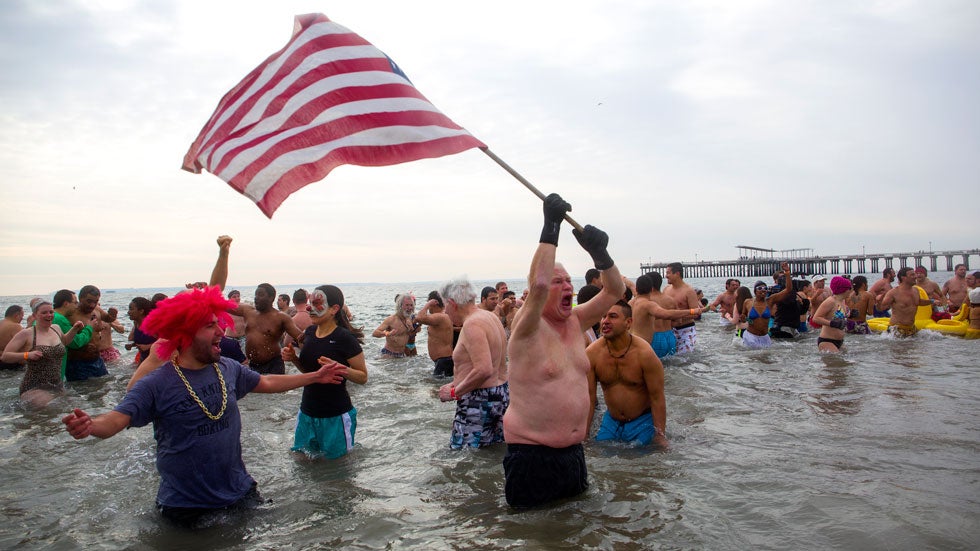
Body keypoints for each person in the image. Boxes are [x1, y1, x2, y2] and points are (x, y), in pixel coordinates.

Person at [62, 286, 346, 527]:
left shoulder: (227, 368)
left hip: (241, 493)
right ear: (185, 333)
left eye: (218, 323)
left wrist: (316, 376)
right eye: (210, 326)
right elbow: (115, 420)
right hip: (187, 508)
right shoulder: (157, 383)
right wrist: (90, 426)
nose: (221, 331)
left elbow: (267, 382)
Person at [502, 193, 625, 508]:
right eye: (560, 282)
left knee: (572, 534)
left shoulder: (576, 320)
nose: (568, 287)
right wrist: (550, 227)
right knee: (537, 535)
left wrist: (601, 255)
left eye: (569, 281)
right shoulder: (527, 328)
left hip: (573, 454)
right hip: (531, 454)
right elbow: (540, 285)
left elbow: (615, 290)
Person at [281, 285, 367, 459]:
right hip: (307, 412)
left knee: (337, 471)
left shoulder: (345, 339)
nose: (308, 308)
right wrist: (294, 359)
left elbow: (363, 377)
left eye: (316, 303)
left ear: (334, 309)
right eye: (309, 303)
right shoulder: (310, 332)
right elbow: (310, 372)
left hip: (336, 416)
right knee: (301, 462)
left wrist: (340, 367)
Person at [436, 277, 509, 449]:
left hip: (479, 399)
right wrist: (456, 382)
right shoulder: (490, 318)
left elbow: (483, 369)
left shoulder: (472, 325)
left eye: (445, 305)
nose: (445, 311)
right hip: (501, 394)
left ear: (452, 303)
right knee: (493, 452)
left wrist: (454, 393)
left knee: (461, 456)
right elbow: (490, 362)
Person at [587, 301, 668, 448]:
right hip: (611, 421)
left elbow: (657, 398)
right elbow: (589, 400)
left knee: (644, 457)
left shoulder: (645, 354)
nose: (605, 321)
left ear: (628, 322)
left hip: (643, 420)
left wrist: (660, 435)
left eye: (612, 316)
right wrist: (584, 435)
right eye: (604, 317)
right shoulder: (592, 354)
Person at [2, 301, 83, 407]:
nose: (49, 315)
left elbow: (65, 341)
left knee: (73, 407)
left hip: (56, 384)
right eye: (44, 313)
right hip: (34, 387)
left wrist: (74, 329)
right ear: (35, 315)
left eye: (51, 312)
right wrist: (27, 355)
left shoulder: (56, 328)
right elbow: (5, 356)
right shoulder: (27, 333)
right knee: (50, 409)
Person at [230, 283, 304, 374]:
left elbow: (300, 337)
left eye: (260, 295)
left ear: (271, 298)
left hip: (273, 365)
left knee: (276, 388)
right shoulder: (248, 311)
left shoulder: (281, 317)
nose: (256, 297)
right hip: (252, 365)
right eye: (256, 294)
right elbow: (223, 306)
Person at [630, 273, 702, 359]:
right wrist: (692, 311)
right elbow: (676, 320)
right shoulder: (669, 300)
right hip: (670, 336)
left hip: (652, 338)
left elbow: (664, 314)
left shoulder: (634, 303)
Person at [740, 264, 793, 350]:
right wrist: (745, 319)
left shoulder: (770, 301)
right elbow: (744, 318)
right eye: (760, 288)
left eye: (765, 288)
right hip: (750, 336)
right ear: (755, 291)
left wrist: (787, 273)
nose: (763, 290)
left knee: (767, 360)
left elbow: (788, 290)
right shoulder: (748, 302)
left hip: (765, 337)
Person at [880, 267, 933, 337]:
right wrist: (879, 301)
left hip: (912, 328)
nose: (915, 277)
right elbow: (881, 307)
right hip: (896, 330)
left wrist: (932, 301)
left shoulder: (916, 290)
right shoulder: (893, 293)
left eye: (915, 274)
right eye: (912, 275)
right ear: (903, 278)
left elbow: (918, 302)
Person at [662, 262, 700, 354]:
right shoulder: (666, 289)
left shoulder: (689, 291)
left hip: (686, 330)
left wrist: (678, 317)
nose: (666, 276)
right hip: (670, 330)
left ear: (677, 274)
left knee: (685, 359)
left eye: (668, 273)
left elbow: (696, 314)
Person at [416, 291, 455, 377]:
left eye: (429, 302)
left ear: (434, 303)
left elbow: (419, 317)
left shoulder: (440, 316)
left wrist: (427, 304)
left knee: (437, 390)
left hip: (443, 360)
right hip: (444, 360)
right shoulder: (444, 316)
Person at [811, 276, 853, 352]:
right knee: (836, 362)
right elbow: (816, 318)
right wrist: (832, 323)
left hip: (840, 341)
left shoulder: (842, 301)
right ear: (843, 289)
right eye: (849, 288)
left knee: (847, 362)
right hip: (827, 341)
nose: (851, 290)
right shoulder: (830, 301)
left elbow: (839, 316)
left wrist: (851, 314)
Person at [372, 293, 419, 358]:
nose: (409, 308)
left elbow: (416, 331)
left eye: (411, 305)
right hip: (388, 355)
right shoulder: (391, 319)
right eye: (407, 305)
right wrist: (387, 333)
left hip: (402, 355)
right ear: (400, 306)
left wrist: (412, 328)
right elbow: (375, 333)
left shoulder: (410, 318)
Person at [0, 305, 25, 370]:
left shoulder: (1, 323)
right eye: (22, 315)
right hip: (9, 365)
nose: (22, 318)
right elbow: (24, 347)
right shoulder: (15, 326)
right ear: (16, 315)